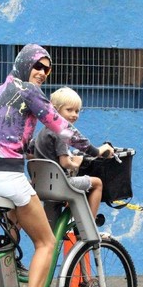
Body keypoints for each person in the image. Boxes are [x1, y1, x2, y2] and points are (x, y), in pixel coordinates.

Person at [0, 44, 113, 287]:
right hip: (5, 176)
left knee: (13, 222)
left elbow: (7, 134)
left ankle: (8, 266)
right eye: (38, 66)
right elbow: (63, 129)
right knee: (46, 241)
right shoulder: (29, 93)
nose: (43, 73)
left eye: (47, 69)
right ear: (24, 64)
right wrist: (96, 151)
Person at [29, 86, 103, 220]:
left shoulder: (41, 134)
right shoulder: (61, 133)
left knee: (51, 234)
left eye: (77, 111)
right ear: (55, 110)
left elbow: (31, 155)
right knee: (97, 183)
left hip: (41, 184)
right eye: (69, 110)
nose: (74, 114)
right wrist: (76, 162)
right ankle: (90, 226)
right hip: (59, 185)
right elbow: (65, 162)